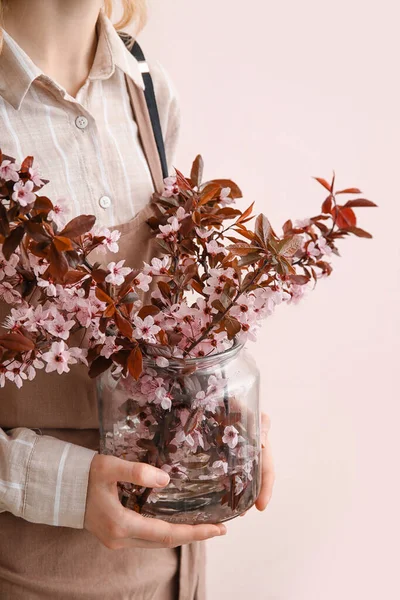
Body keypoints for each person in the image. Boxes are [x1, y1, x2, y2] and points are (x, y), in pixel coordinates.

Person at [0, 1, 275, 598]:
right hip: (29, 571)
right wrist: (68, 486)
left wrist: (222, 416)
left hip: (170, 570)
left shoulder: (145, 89)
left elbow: (170, 334)